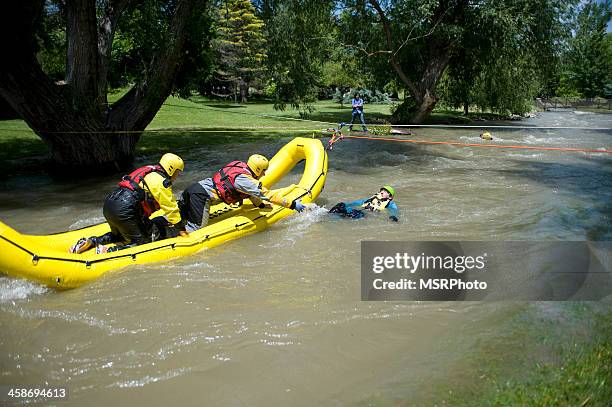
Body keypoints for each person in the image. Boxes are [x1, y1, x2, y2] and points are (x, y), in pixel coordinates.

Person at [69, 153, 187, 254]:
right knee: (141, 243)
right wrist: (181, 229)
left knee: (119, 236)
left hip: (110, 203)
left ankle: (91, 241)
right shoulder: (161, 182)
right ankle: (108, 251)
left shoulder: (149, 170)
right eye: (177, 172)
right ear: (171, 169)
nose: (177, 176)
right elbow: (171, 208)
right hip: (125, 209)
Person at [179, 154, 306, 232]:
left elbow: (250, 194)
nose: (264, 174)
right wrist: (292, 205)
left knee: (179, 220)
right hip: (201, 197)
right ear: (257, 169)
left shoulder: (239, 166)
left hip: (193, 189)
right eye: (263, 171)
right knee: (196, 229)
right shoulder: (246, 181)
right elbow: (267, 194)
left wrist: (260, 205)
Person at [329, 185, 399, 222]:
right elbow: (357, 202)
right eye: (382, 190)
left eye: (385, 192)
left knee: (353, 214)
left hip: (365, 215)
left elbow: (394, 210)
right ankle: (329, 216)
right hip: (359, 211)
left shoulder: (390, 203)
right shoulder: (372, 199)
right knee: (339, 207)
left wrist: (393, 216)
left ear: (390, 197)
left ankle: (333, 220)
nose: (382, 192)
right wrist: (346, 204)